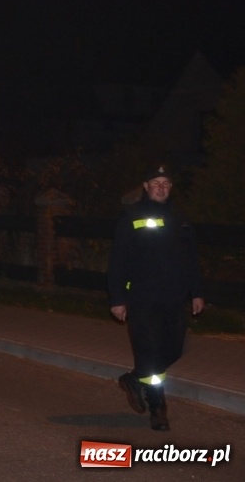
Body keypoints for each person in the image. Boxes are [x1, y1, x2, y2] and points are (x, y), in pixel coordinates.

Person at [107, 164, 205, 431]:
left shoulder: (181, 218)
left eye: (166, 183)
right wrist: (118, 298)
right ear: (146, 186)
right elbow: (118, 260)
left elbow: (191, 260)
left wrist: (197, 292)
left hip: (174, 299)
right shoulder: (131, 216)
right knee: (150, 353)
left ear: (170, 188)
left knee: (173, 349)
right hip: (142, 298)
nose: (161, 187)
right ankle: (158, 408)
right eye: (156, 182)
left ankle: (134, 379)